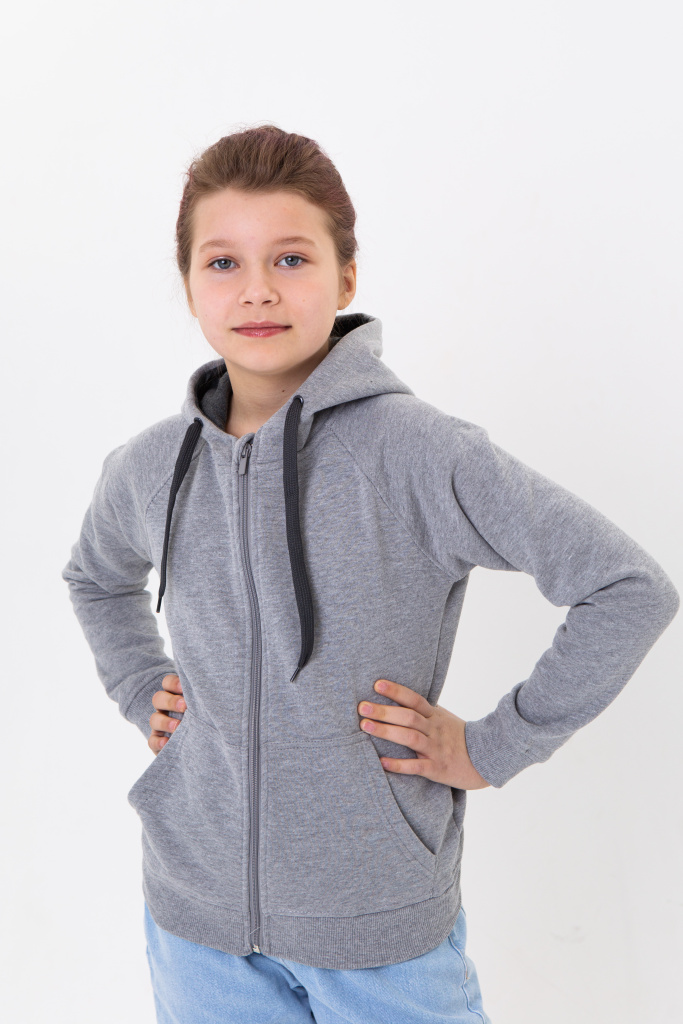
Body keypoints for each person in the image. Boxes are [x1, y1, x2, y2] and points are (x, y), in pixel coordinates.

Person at [62, 125, 679, 1024]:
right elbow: (94, 576)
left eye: (291, 258)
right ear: (189, 285)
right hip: (196, 926)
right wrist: (137, 684)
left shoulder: (418, 453)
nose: (258, 288)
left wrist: (493, 745)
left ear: (346, 278)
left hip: (380, 934)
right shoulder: (151, 466)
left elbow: (627, 587)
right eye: (223, 262)